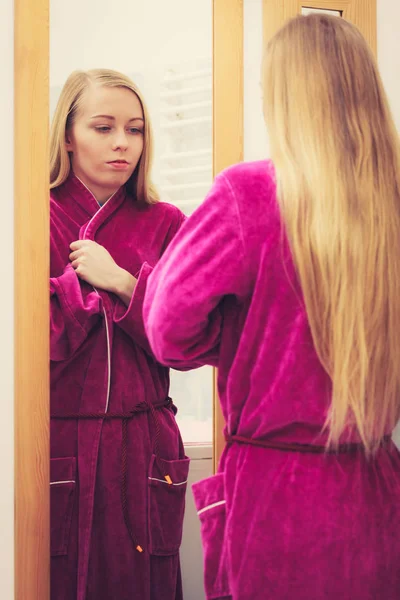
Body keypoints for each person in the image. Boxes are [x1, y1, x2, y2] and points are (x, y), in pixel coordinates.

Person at [143, 14, 400, 600]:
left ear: (285, 98)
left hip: (277, 500)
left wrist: (244, 336)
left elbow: (167, 330)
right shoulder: (393, 205)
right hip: (378, 492)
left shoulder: (249, 194)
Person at [50, 68, 189, 600]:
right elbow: (30, 337)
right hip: (58, 444)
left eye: (135, 129)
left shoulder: (167, 222)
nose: (122, 143)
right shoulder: (29, 216)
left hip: (145, 445)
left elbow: (188, 339)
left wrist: (123, 282)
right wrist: (81, 293)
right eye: (103, 127)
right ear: (67, 134)